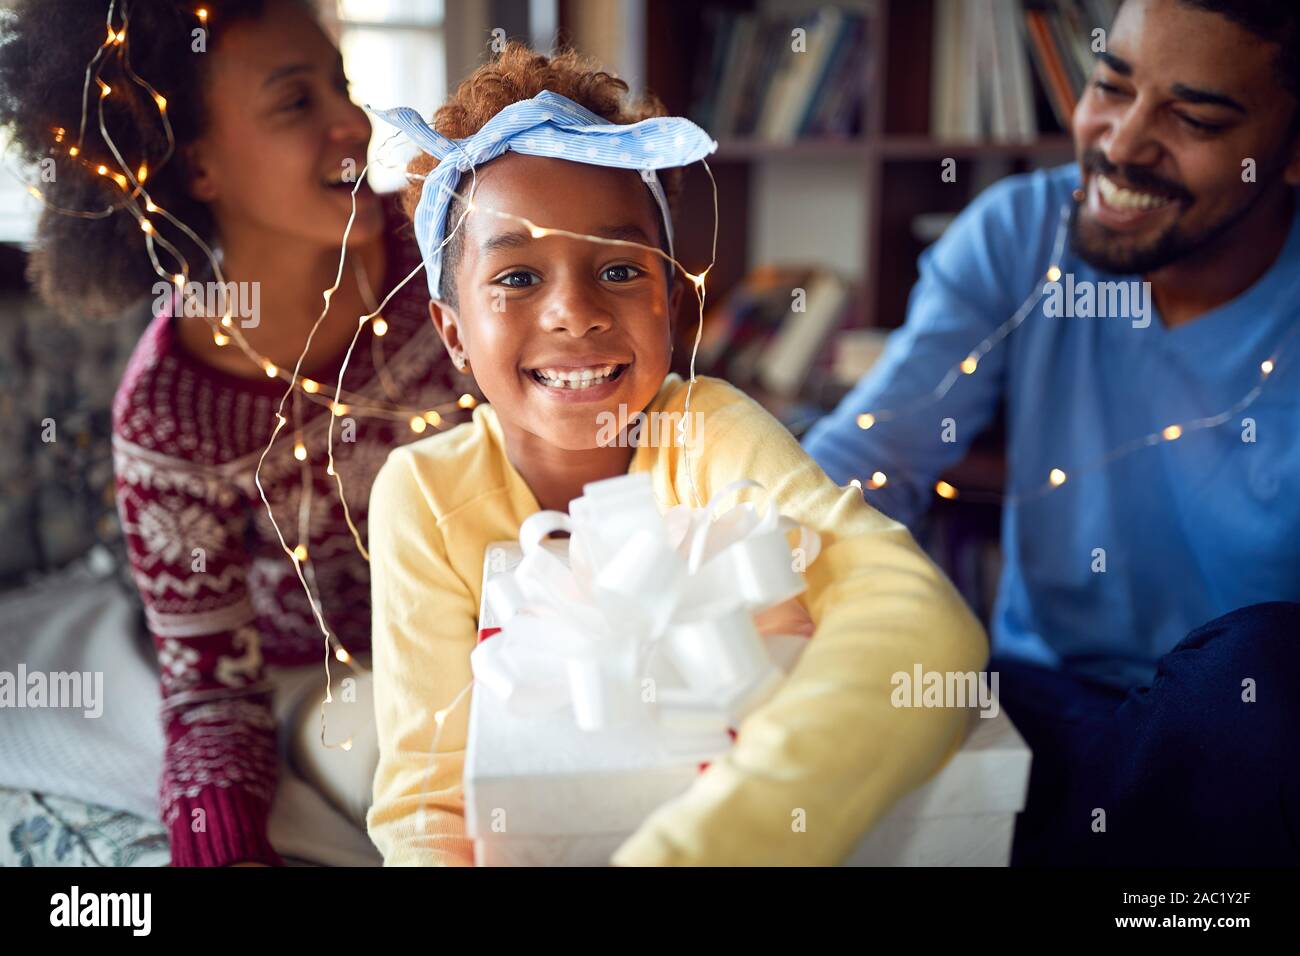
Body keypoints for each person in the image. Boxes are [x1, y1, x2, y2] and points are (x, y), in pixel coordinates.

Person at [363, 42, 987, 867]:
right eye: (517, 278)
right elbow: (428, 800)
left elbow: (919, 625)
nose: (575, 314)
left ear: (671, 306)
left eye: (619, 269)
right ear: (453, 334)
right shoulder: (424, 495)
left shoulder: (711, 428)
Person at [804, 0, 1300, 865]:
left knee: (1256, 674)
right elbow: (869, 457)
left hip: (1236, 743)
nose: (1121, 142)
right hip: (1032, 703)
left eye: (1193, 118)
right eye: (1111, 85)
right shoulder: (1020, 232)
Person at [0, 0, 465, 866]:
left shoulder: (439, 248)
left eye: (343, 85)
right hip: (329, 677)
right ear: (198, 165)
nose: (351, 123)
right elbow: (215, 699)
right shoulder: (173, 409)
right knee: (439, 760)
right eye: (296, 103)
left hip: (504, 617)